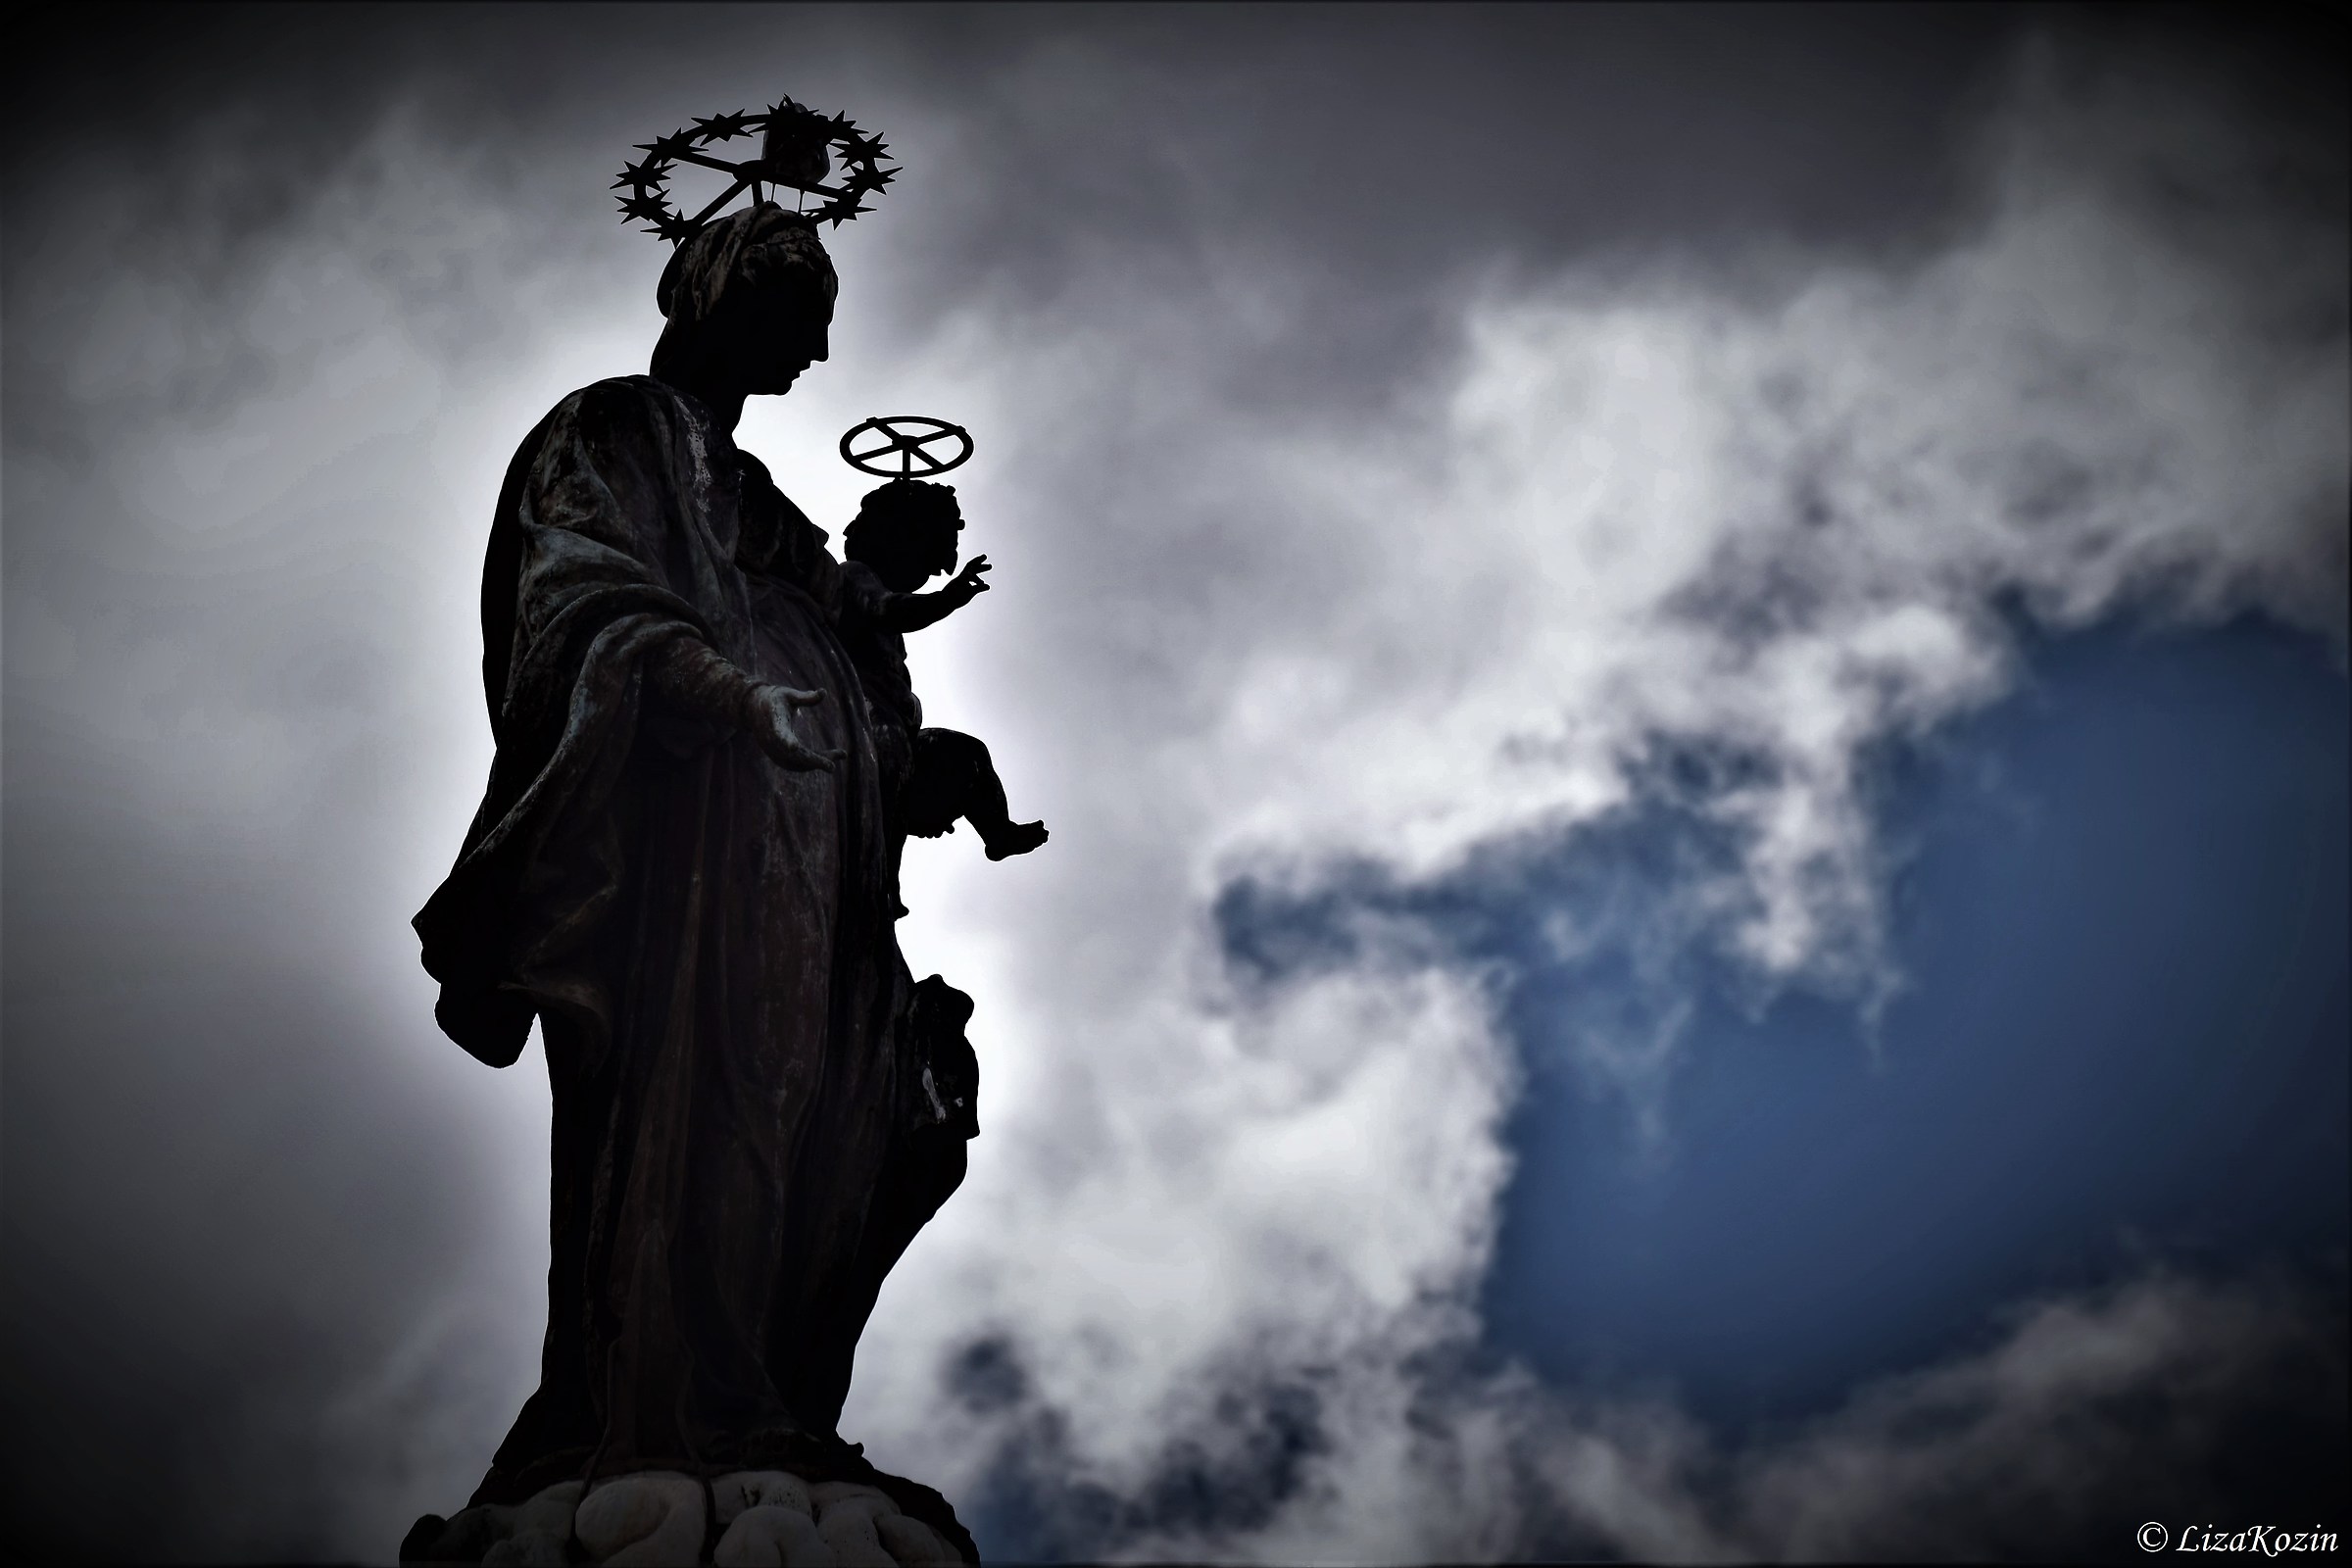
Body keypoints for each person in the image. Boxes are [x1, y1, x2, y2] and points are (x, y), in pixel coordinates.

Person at [413, 203, 973, 1526]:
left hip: (815, 860)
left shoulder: (762, 501)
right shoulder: (614, 430)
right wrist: (728, 693)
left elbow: (850, 625)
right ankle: (659, 1404)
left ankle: (766, 1401)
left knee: (832, 1111)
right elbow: (582, 597)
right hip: (696, 867)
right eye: (801, 324)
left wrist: (903, 748)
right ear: (721, 294)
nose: (817, 361)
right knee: (705, 1099)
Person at [833, 477, 1049, 908]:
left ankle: (996, 832)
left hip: (893, 718)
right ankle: (879, 884)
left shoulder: (879, 589)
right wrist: (945, 600)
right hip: (857, 715)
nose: (932, 573)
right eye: (927, 558)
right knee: (889, 751)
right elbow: (892, 609)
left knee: (963, 752)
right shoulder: (857, 578)